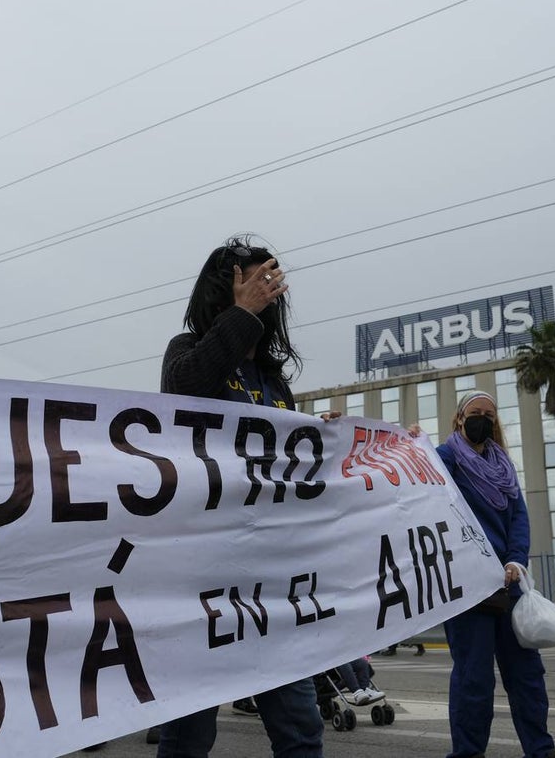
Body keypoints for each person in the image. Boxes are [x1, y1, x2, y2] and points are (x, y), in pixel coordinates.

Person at [155, 235, 333, 758]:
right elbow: (185, 396)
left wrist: (317, 437)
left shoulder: (275, 381)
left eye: (272, 284)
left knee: (301, 726)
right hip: (204, 583)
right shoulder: (185, 352)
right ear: (223, 290)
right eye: (254, 282)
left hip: (270, 584)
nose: (267, 291)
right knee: (189, 735)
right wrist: (242, 316)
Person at [427, 391, 555, 758]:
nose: (482, 419)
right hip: (470, 585)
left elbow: (518, 517)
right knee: (474, 678)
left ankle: (541, 749)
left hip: (510, 581)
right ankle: (467, 753)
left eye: (489, 414)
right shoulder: (445, 458)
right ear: (459, 419)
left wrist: (516, 559)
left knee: (527, 674)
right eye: (475, 413)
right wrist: (413, 445)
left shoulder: (504, 467)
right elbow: (425, 493)